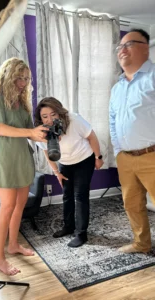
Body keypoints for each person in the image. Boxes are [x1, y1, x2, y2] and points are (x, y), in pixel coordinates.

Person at [0, 57, 48, 275]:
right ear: (8, 75)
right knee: (7, 207)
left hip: (22, 156)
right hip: (6, 157)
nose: (23, 82)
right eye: (19, 77)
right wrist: (30, 132)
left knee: (20, 205)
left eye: (27, 79)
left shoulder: (23, 101)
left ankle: (13, 245)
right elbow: (1, 129)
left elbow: (31, 130)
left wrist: (46, 132)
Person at [34, 97, 104, 247]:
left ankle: (81, 234)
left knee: (80, 196)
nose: (50, 119)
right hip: (65, 163)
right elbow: (47, 152)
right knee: (67, 196)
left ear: (59, 112)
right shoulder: (40, 131)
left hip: (84, 160)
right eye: (45, 116)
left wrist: (98, 157)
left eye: (53, 114)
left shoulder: (74, 119)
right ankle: (68, 226)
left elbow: (91, 136)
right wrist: (56, 172)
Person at [109, 29, 155, 254]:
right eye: (120, 47)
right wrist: (118, 151)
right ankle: (142, 244)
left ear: (145, 48)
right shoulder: (117, 88)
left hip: (152, 155)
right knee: (132, 204)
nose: (122, 50)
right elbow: (112, 119)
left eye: (129, 44)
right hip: (126, 158)